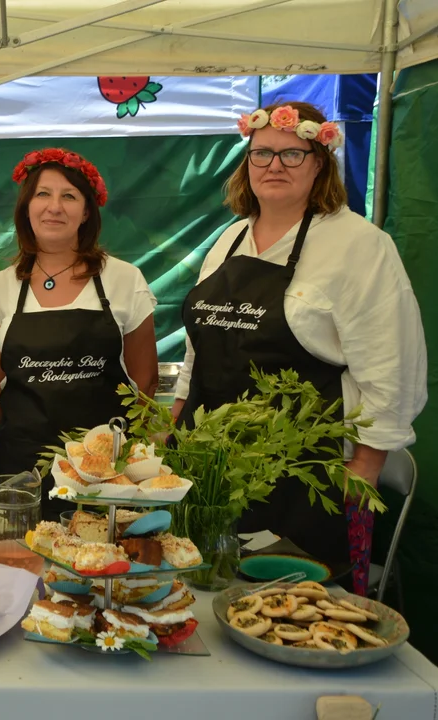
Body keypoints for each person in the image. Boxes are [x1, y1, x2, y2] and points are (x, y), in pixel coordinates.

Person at [173, 102, 427, 594]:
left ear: (320, 161)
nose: (274, 166)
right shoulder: (229, 239)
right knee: (206, 592)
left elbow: (394, 365)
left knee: (293, 611)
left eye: (292, 154)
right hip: (211, 466)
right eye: (262, 154)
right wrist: (179, 414)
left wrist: (367, 465)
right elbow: (197, 349)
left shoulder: (358, 244)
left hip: (309, 471)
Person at [0, 148, 158, 517]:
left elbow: (146, 381)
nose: (54, 207)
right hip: (20, 475)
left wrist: (110, 456)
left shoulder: (124, 280)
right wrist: (21, 444)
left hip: (103, 478)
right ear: (26, 207)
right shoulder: (0, 287)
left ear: (87, 211)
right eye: (42, 194)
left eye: (69, 196)